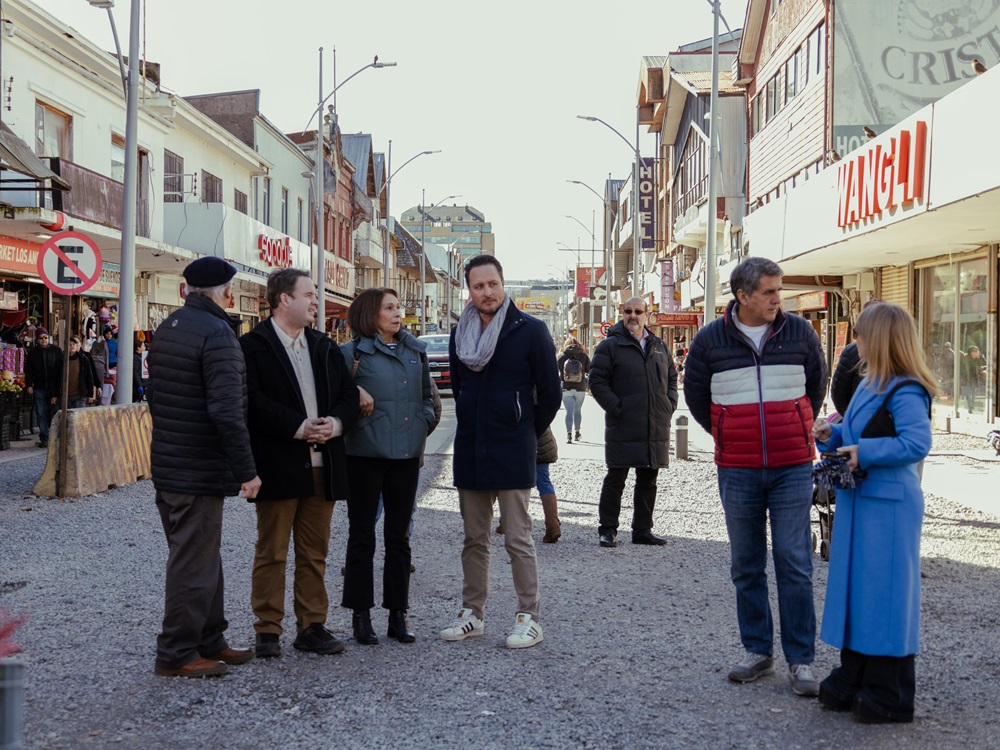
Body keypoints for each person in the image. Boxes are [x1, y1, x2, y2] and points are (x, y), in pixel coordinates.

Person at [683, 257, 827, 697]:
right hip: (738, 468)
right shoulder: (710, 340)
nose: (776, 299)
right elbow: (696, 398)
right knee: (746, 564)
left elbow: (815, 389)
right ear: (742, 296)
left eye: (778, 290)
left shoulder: (800, 332)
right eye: (768, 291)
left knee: (794, 561)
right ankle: (758, 651)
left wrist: (794, 426)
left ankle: (800, 660)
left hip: (793, 466)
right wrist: (730, 432)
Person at [812, 302, 936, 723]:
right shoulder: (871, 383)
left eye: (860, 334)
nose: (854, 342)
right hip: (865, 500)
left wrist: (861, 450)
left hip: (889, 505)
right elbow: (859, 434)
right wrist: (834, 435)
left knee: (883, 595)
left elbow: (916, 443)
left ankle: (889, 689)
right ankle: (859, 676)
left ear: (878, 338)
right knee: (860, 591)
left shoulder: (906, 389)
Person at [439, 255, 561, 649]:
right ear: (469, 290)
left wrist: (523, 426)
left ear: (502, 284)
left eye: (492, 284)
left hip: (513, 448)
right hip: (472, 448)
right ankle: (472, 614)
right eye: (479, 286)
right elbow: (459, 388)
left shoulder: (531, 330)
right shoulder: (461, 335)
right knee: (474, 538)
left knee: (518, 539)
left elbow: (551, 393)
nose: (487, 292)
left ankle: (530, 617)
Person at [148, 256, 261, 678]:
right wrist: (247, 472)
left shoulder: (169, 327)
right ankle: (176, 653)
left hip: (172, 461)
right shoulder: (217, 335)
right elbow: (228, 413)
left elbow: (155, 397)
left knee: (201, 556)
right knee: (193, 561)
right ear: (227, 293)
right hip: (197, 466)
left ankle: (210, 640)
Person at [239, 268, 359, 659]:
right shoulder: (252, 347)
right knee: (271, 551)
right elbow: (251, 402)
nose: (315, 302)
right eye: (308, 294)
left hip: (323, 465)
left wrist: (336, 424)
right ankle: (268, 630)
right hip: (277, 462)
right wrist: (297, 427)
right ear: (284, 299)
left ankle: (311, 626)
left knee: (314, 552)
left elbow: (347, 395)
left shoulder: (323, 346)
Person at [339, 287, 433, 645]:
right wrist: (353, 394)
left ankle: (398, 614)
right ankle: (360, 616)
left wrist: (422, 424)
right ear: (370, 314)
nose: (398, 313)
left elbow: (428, 399)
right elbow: (332, 395)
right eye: (389, 308)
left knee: (399, 538)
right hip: (363, 456)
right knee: (362, 537)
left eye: (398, 307)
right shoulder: (351, 354)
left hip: (405, 459)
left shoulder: (416, 352)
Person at [589, 297, 678, 548]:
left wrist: (668, 405)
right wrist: (618, 407)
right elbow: (597, 382)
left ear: (646, 315)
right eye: (628, 311)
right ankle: (607, 530)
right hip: (623, 423)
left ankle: (642, 530)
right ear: (622, 313)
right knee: (616, 478)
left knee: (648, 479)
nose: (633, 315)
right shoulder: (610, 345)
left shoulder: (659, 345)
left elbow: (672, 378)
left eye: (638, 311)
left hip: (655, 424)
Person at [23, 328, 61, 448]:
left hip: (54, 388)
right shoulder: (33, 353)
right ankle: (44, 437)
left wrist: (57, 392)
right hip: (39, 388)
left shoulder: (56, 351)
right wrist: (29, 385)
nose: (43, 340)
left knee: (56, 413)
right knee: (40, 413)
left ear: (48, 338)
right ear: (37, 340)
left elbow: (61, 371)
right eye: (41, 338)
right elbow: (28, 370)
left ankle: (58, 437)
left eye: (45, 337)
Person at [557, 337, 590, 443]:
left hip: (566, 387)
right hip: (580, 387)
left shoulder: (561, 356)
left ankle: (569, 435)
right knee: (577, 410)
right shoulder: (583, 356)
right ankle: (577, 432)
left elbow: (553, 371)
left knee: (569, 411)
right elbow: (590, 370)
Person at [56, 335, 97, 409]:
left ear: (78, 345)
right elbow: (55, 378)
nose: (71, 346)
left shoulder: (83, 359)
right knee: (65, 419)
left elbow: (89, 377)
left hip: (79, 396)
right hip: (64, 396)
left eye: (73, 344)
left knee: (79, 419)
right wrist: (54, 395)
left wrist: (90, 394)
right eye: (69, 344)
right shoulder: (60, 360)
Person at [90, 326, 112, 403]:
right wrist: (107, 370)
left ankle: (91, 399)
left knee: (92, 382)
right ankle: (99, 400)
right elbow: (107, 357)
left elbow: (91, 354)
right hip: (100, 365)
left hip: (93, 364)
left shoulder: (94, 343)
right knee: (100, 383)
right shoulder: (104, 344)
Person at [961, 345, 983, 412]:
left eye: (976, 352)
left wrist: (979, 358)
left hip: (974, 377)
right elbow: (966, 367)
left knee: (973, 392)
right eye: (974, 352)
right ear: (970, 352)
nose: (975, 353)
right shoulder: (966, 357)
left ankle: (971, 406)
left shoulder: (976, 359)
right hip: (967, 377)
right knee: (968, 393)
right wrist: (967, 376)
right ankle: (970, 406)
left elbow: (980, 365)